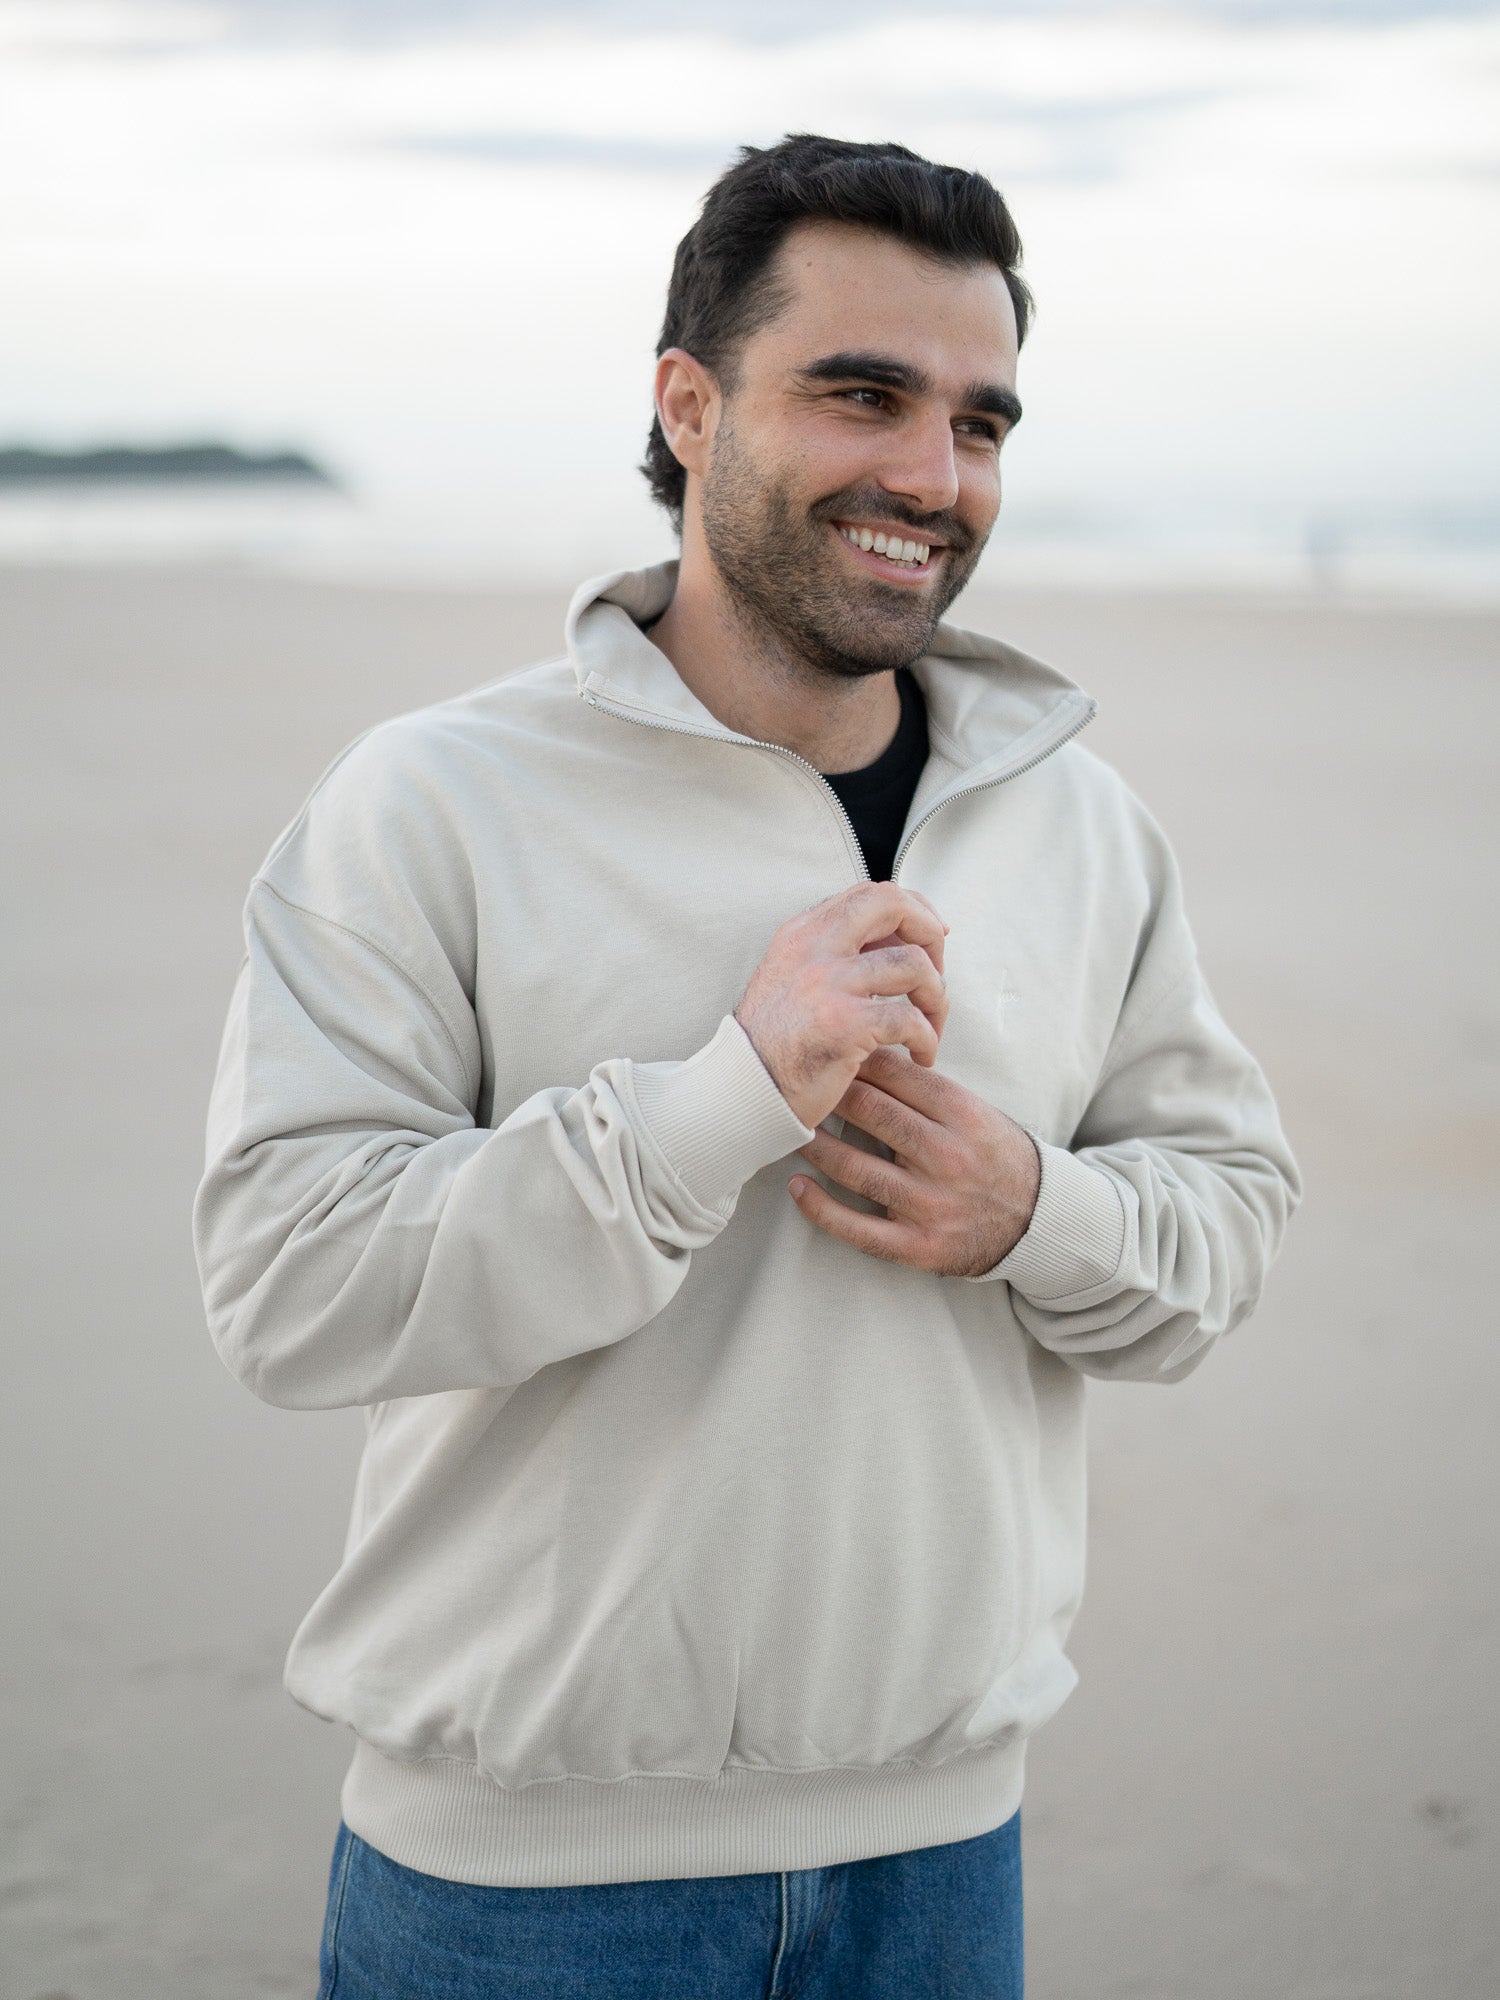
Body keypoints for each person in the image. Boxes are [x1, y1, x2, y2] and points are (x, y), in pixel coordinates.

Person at [193, 134, 1300, 1998]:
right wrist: (715, 1107)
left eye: (980, 421)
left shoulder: (1083, 826)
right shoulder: (430, 802)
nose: (931, 478)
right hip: (517, 1896)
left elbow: (1229, 1232)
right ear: (688, 408)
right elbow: (288, 1289)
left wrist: (1038, 1209)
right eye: (861, 395)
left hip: (944, 1868)